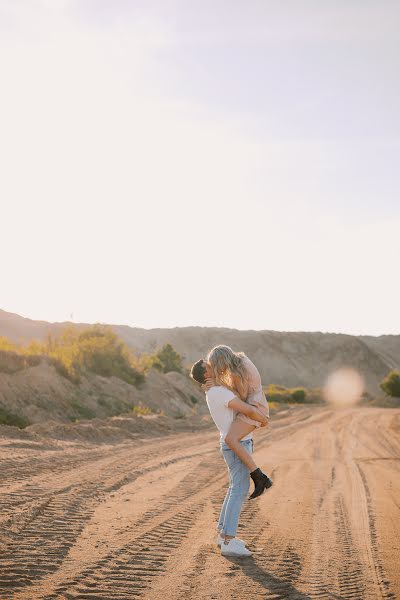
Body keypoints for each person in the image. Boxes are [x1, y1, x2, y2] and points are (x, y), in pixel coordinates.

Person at [190, 359, 270, 557]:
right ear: (206, 374)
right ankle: (228, 541)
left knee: (235, 488)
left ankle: (222, 534)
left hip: (232, 444)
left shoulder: (215, 390)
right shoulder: (219, 392)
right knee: (239, 490)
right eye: (210, 366)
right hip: (238, 444)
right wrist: (263, 419)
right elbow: (247, 409)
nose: (214, 365)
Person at [203, 345, 273, 499]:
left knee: (230, 439)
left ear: (220, 361)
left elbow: (241, 398)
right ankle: (260, 478)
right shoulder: (240, 361)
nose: (216, 370)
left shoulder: (238, 371)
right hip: (252, 407)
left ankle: (260, 477)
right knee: (230, 439)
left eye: (215, 366)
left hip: (255, 408)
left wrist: (217, 386)